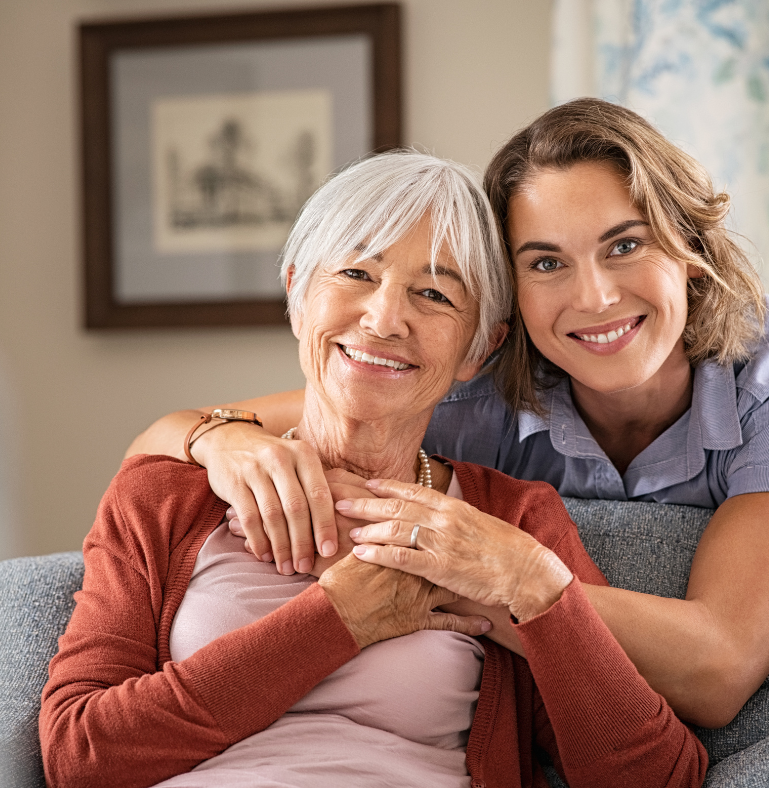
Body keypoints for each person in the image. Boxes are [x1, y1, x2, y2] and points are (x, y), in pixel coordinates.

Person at [127, 99, 769, 729]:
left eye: (625, 245)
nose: (596, 297)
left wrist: (508, 572)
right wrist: (217, 440)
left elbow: (718, 670)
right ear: (504, 301)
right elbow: (165, 439)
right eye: (546, 263)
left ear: (692, 251)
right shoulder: (472, 390)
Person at [41, 151, 707, 788]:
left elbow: (657, 777)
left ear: (482, 347)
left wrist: (538, 590)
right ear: (299, 291)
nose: (386, 317)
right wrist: (340, 619)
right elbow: (78, 756)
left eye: (435, 295)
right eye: (356, 274)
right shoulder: (166, 493)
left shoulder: (510, 524)